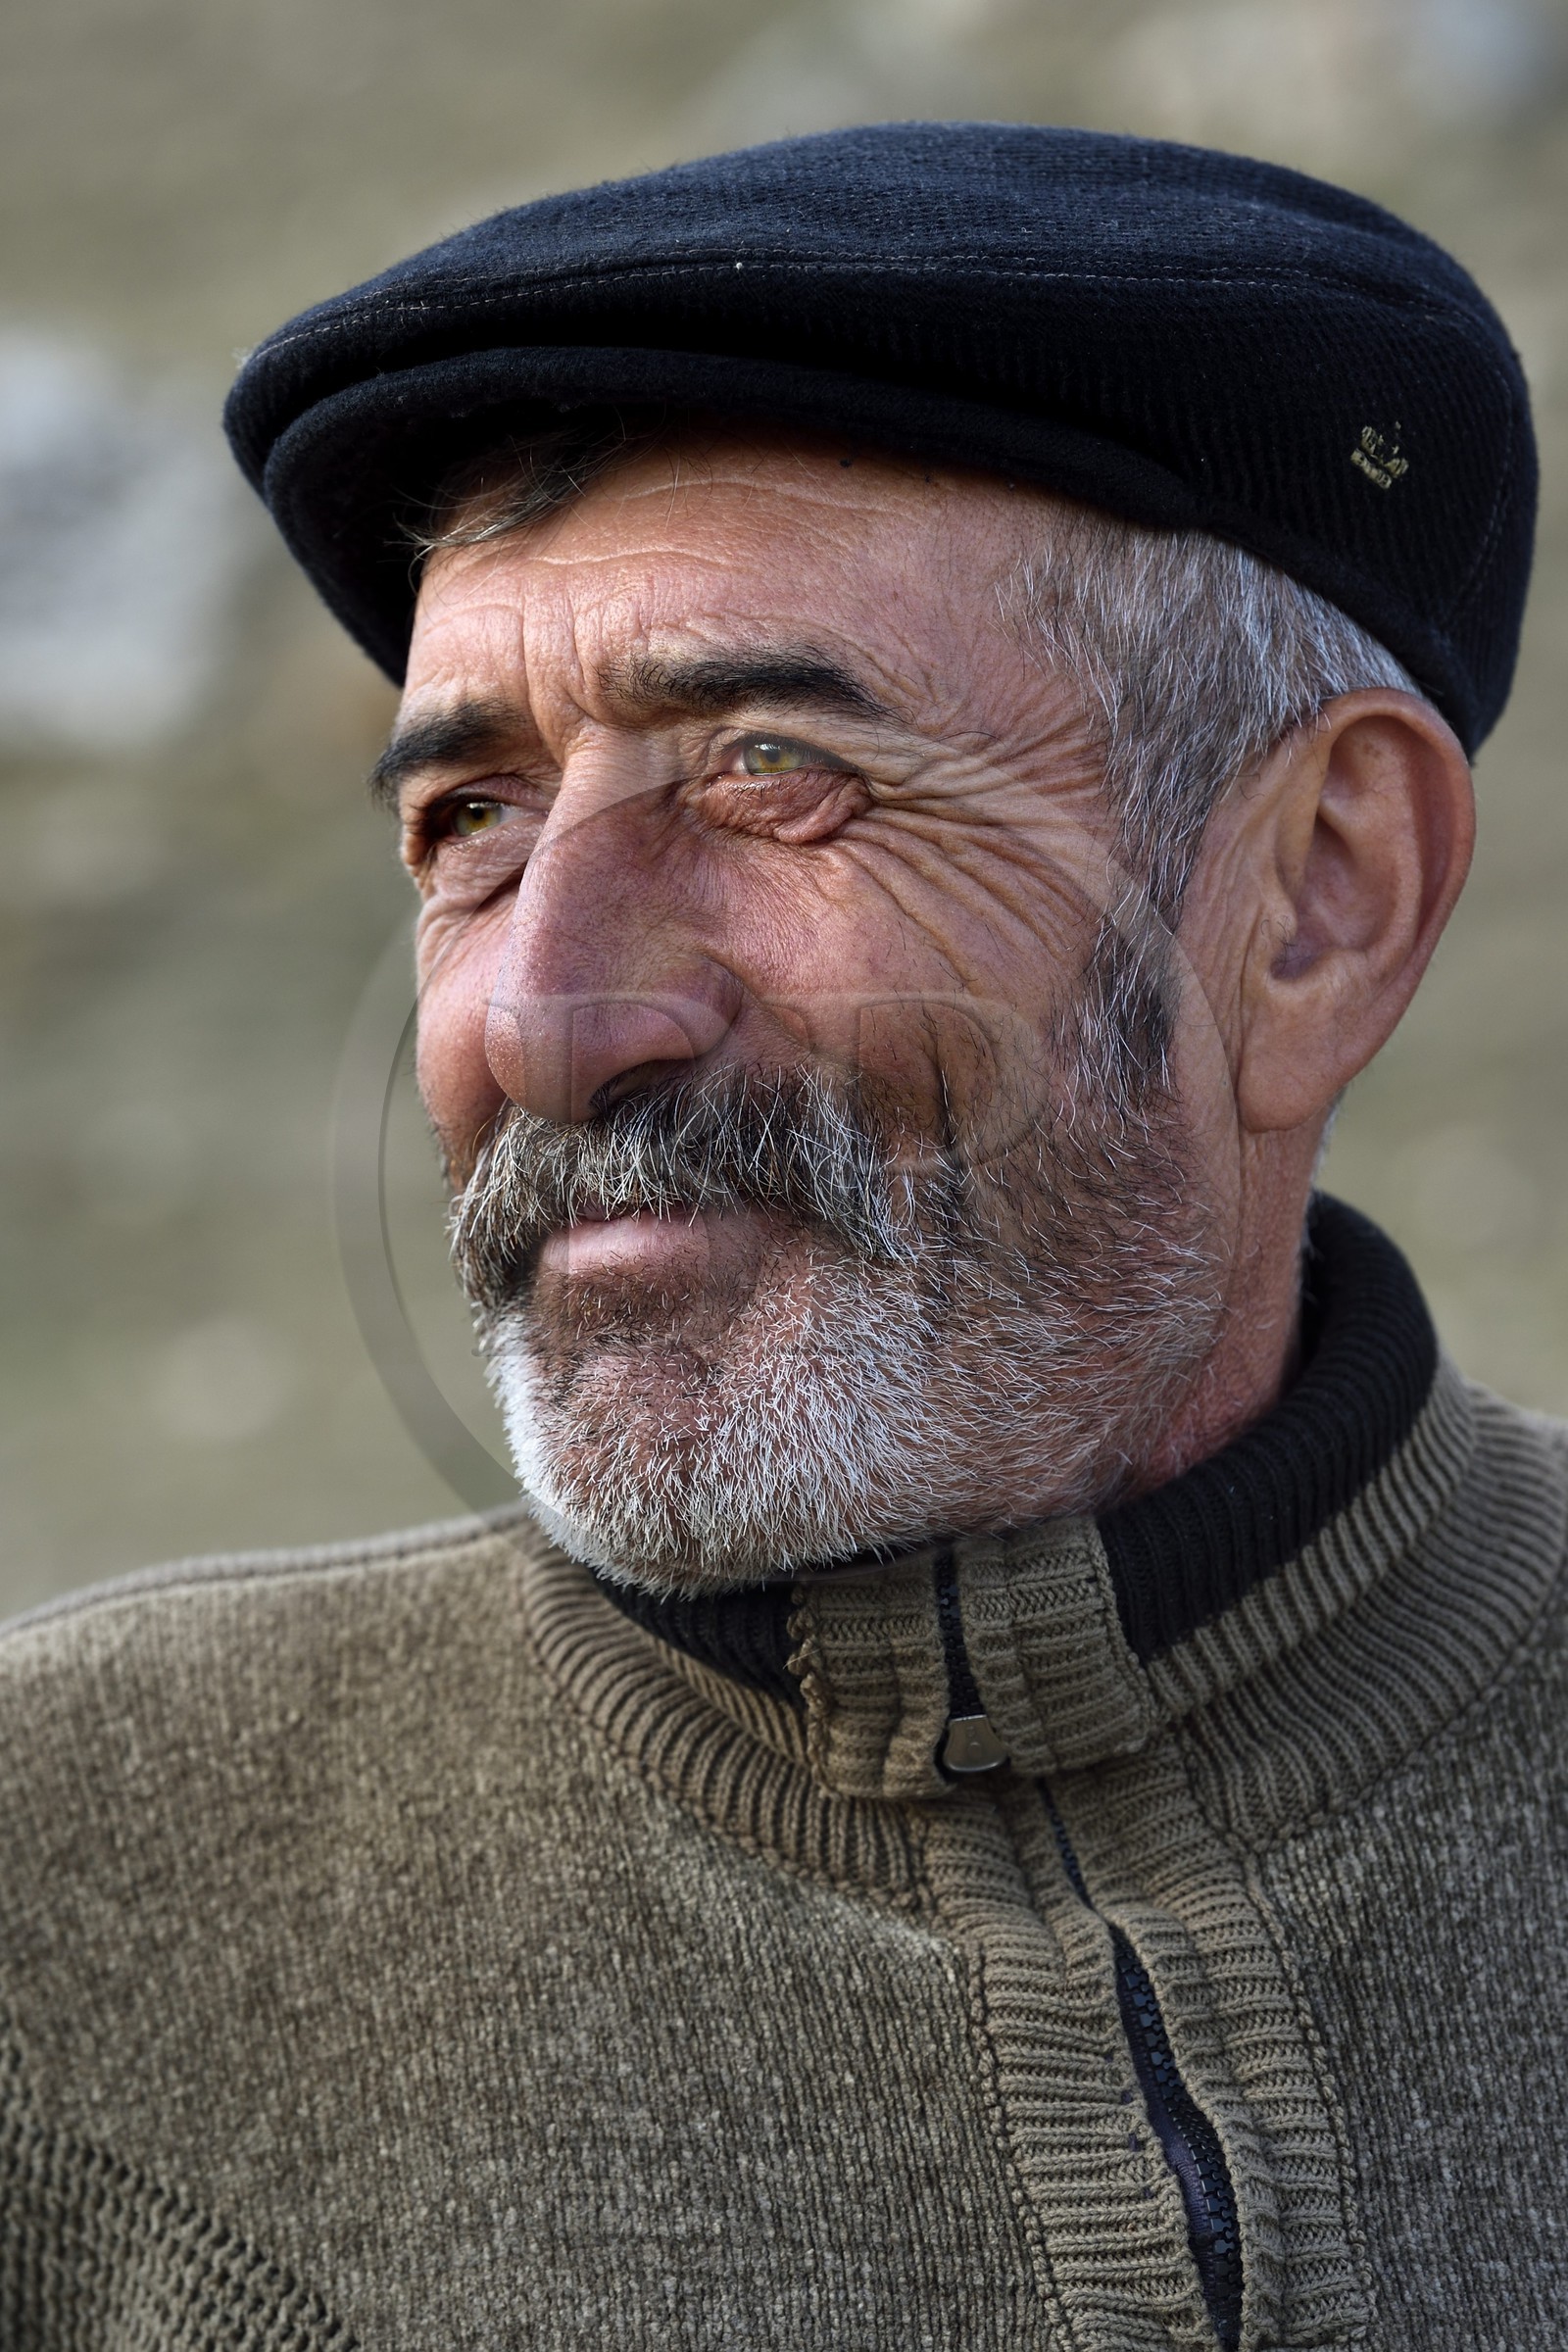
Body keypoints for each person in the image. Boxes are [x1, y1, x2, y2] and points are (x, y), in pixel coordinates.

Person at [1, 123, 1560, 2351]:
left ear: (1314, 897)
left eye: (763, 772)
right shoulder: (57, 1922)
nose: (543, 1022)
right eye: (471, 825)